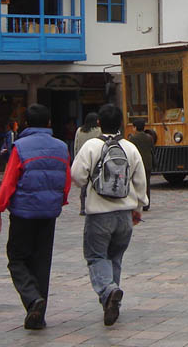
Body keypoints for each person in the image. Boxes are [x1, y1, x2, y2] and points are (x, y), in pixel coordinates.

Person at [0, 103, 71, 331]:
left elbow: (9, 181)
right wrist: (59, 201)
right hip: (49, 213)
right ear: (48, 124)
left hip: (24, 212)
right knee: (41, 263)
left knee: (17, 259)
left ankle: (32, 299)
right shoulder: (61, 147)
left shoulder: (20, 147)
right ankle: (38, 313)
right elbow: (66, 180)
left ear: (26, 123)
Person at [71, 103, 147, 326]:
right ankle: (112, 302)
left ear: (99, 124)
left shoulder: (92, 146)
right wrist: (138, 208)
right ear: (122, 124)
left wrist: (88, 184)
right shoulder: (130, 147)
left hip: (99, 214)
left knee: (96, 257)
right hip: (125, 215)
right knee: (115, 257)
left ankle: (108, 290)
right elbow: (140, 181)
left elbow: (76, 175)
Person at [73, 112, 101, 215]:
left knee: (83, 185)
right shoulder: (99, 131)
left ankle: (83, 207)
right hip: (96, 160)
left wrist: (76, 158)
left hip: (83, 159)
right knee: (95, 183)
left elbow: (76, 145)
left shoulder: (79, 130)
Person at [128, 119, 154, 212]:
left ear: (135, 127)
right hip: (148, 163)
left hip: (138, 164)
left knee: (136, 183)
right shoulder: (149, 137)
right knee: (147, 183)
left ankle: (137, 202)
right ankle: (147, 204)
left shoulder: (132, 139)